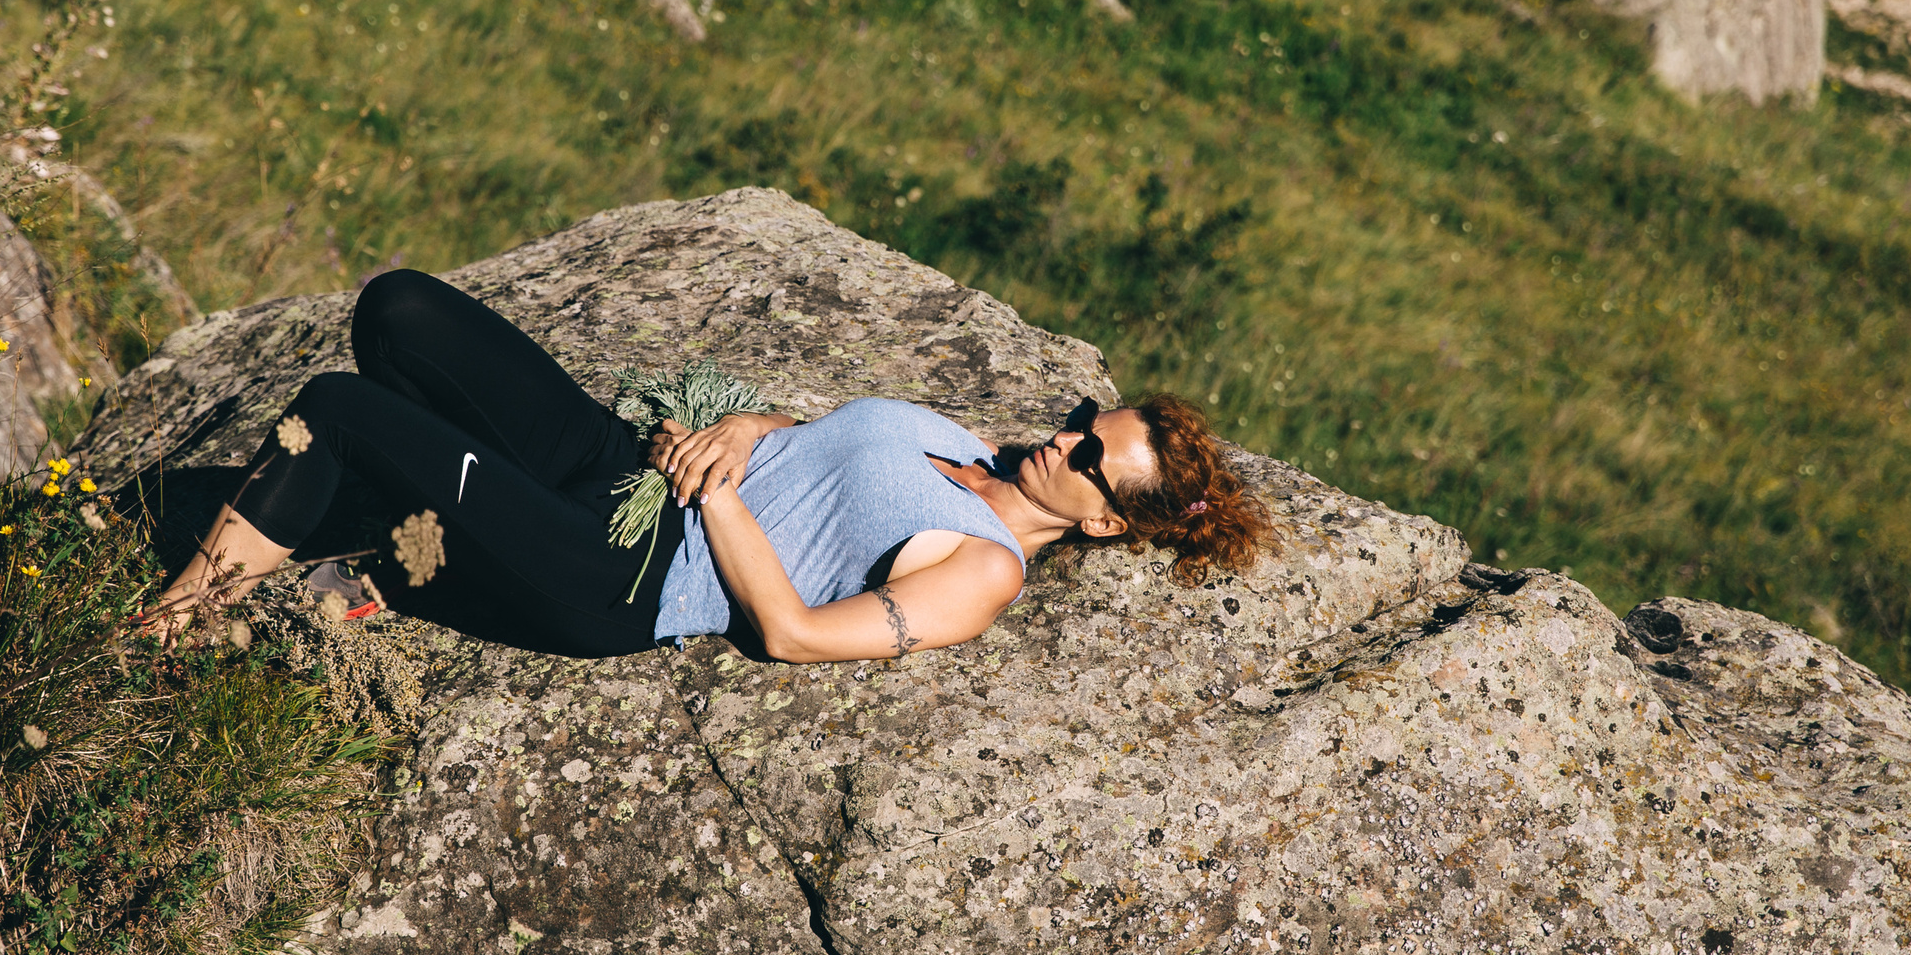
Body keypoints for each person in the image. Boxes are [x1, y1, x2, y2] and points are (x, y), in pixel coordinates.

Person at [141, 269, 1275, 661]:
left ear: (1106, 523)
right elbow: (824, 456)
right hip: (618, 466)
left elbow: (793, 630)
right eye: (1088, 415)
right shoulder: (969, 449)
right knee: (399, 315)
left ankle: (175, 623)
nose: (1068, 430)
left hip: (622, 571)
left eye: (1089, 454)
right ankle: (401, 541)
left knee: (343, 409)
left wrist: (724, 502)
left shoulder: (982, 571)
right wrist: (751, 429)